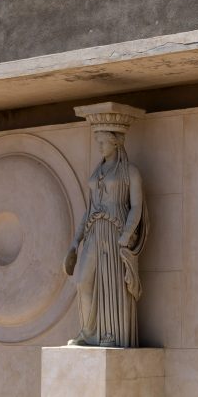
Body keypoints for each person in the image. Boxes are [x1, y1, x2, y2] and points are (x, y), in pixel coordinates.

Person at [65, 104, 148, 347]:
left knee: (112, 283)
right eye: (97, 141)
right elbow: (89, 208)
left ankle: (111, 333)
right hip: (94, 230)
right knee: (83, 281)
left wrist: (126, 234)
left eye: (103, 141)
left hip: (115, 230)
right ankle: (88, 332)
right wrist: (75, 241)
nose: (99, 146)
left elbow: (137, 207)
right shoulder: (97, 172)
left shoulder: (131, 172)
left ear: (115, 142)